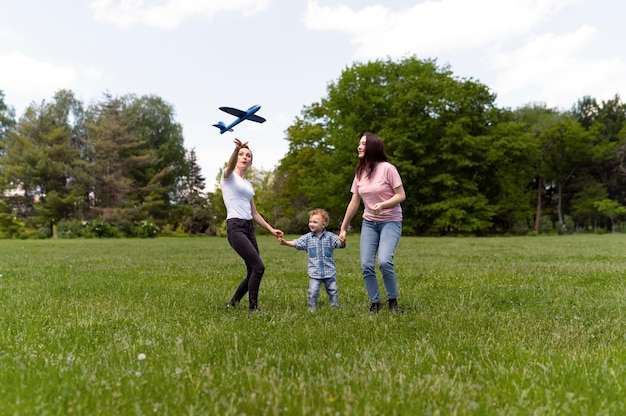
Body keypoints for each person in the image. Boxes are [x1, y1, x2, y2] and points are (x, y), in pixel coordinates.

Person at [339, 132, 406, 313]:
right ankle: (375, 302)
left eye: (363, 144)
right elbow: (354, 202)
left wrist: (383, 204)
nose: (359, 147)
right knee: (367, 264)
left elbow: (401, 195)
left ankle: (393, 302)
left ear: (373, 147)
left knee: (384, 261)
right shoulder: (360, 172)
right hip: (369, 223)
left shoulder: (388, 169)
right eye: (359, 143)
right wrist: (343, 228)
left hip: (390, 221)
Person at [221, 138, 283, 313]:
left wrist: (271, 229)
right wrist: (236, 149)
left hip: (249, 228)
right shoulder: (228, 177)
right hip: (235, 227)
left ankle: (233, 302)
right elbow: (230, 164)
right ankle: (253, 309)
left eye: (248, 155)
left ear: (251, 161)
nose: (245, 157)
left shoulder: (247, 185)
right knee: (259, 267)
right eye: (242, 154)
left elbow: (254, 213)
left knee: (252, 271)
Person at [279, 209, 346, 311]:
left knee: (333, 290)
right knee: (313, 291)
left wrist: (342, 242)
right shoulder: (307, 238)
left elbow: (339, 245)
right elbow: (296, 243)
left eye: (315, 222)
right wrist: (285, 243)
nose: (311, 224)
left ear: (324, 224)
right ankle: (312, 309)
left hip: (329, 272)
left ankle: (334, 308)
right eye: (310, 221)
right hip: (314, 273)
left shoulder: (330, 237)